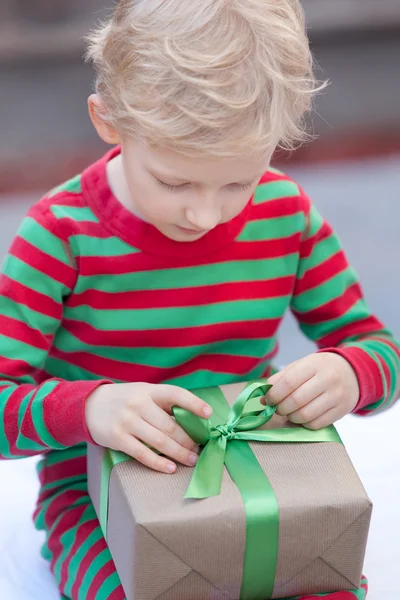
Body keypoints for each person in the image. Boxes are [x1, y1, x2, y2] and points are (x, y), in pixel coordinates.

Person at [0, 0, 398, 598]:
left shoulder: (284, 213)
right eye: (174, 181)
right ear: (108, 121)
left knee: (326, 581)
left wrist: (351, 372)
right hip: (92, 494)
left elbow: (378, 350)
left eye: (238, 181)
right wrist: (91, 410)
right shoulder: (59, 238)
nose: (205, 214)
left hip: (265, 475)